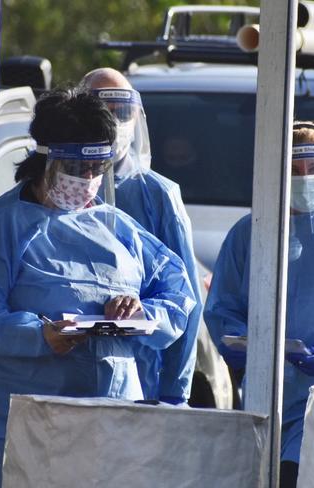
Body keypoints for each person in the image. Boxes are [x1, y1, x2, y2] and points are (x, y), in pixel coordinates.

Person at [0, 87, 196, 487]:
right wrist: (40, 335)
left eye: (98, 170)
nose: (88, 181)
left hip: (115, 421)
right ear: (43, 158)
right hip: (33, 427)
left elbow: (178, 293)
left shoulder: (116, 226)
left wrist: (142, 313)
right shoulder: (3, 226)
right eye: (77, 169)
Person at [204, 121, 314, 487]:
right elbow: (223, 307)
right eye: (294, 170)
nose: (305, 178)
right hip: (268, 391)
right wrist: (239, 343)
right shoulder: (251, 232)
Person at [81, 68, 203, 406]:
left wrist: (174, 391)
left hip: (140, 379)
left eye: (123, 112)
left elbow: (186, 297)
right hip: (67, 376)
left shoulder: (157, 194)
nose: (114, 121)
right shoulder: (57, 189)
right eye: (102, 110)